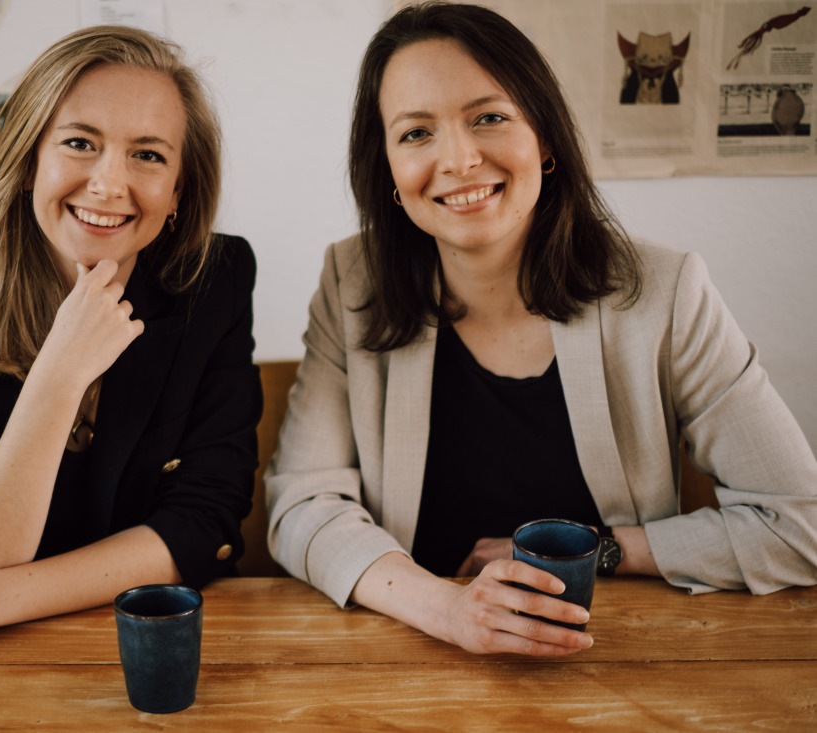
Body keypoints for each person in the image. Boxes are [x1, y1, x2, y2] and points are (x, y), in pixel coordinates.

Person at [266, 2, 817, 658]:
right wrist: (446, 606)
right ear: (386, 165)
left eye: (489, 117)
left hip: (617, 653)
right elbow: (301, 501)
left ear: (545, 138)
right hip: (415, 653)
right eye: (416, 133)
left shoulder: (666, 290)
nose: (460, 159)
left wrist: (604, 546)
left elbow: (797, 521)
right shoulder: (351, 281)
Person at [0, 26, 262, 656]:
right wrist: (60, 373)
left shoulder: (214, 281)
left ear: (178, 192)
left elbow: (203, 525)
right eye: (80, 143)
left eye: (148, 155)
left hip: (142, 634)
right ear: (29, 156)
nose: (110, 184)